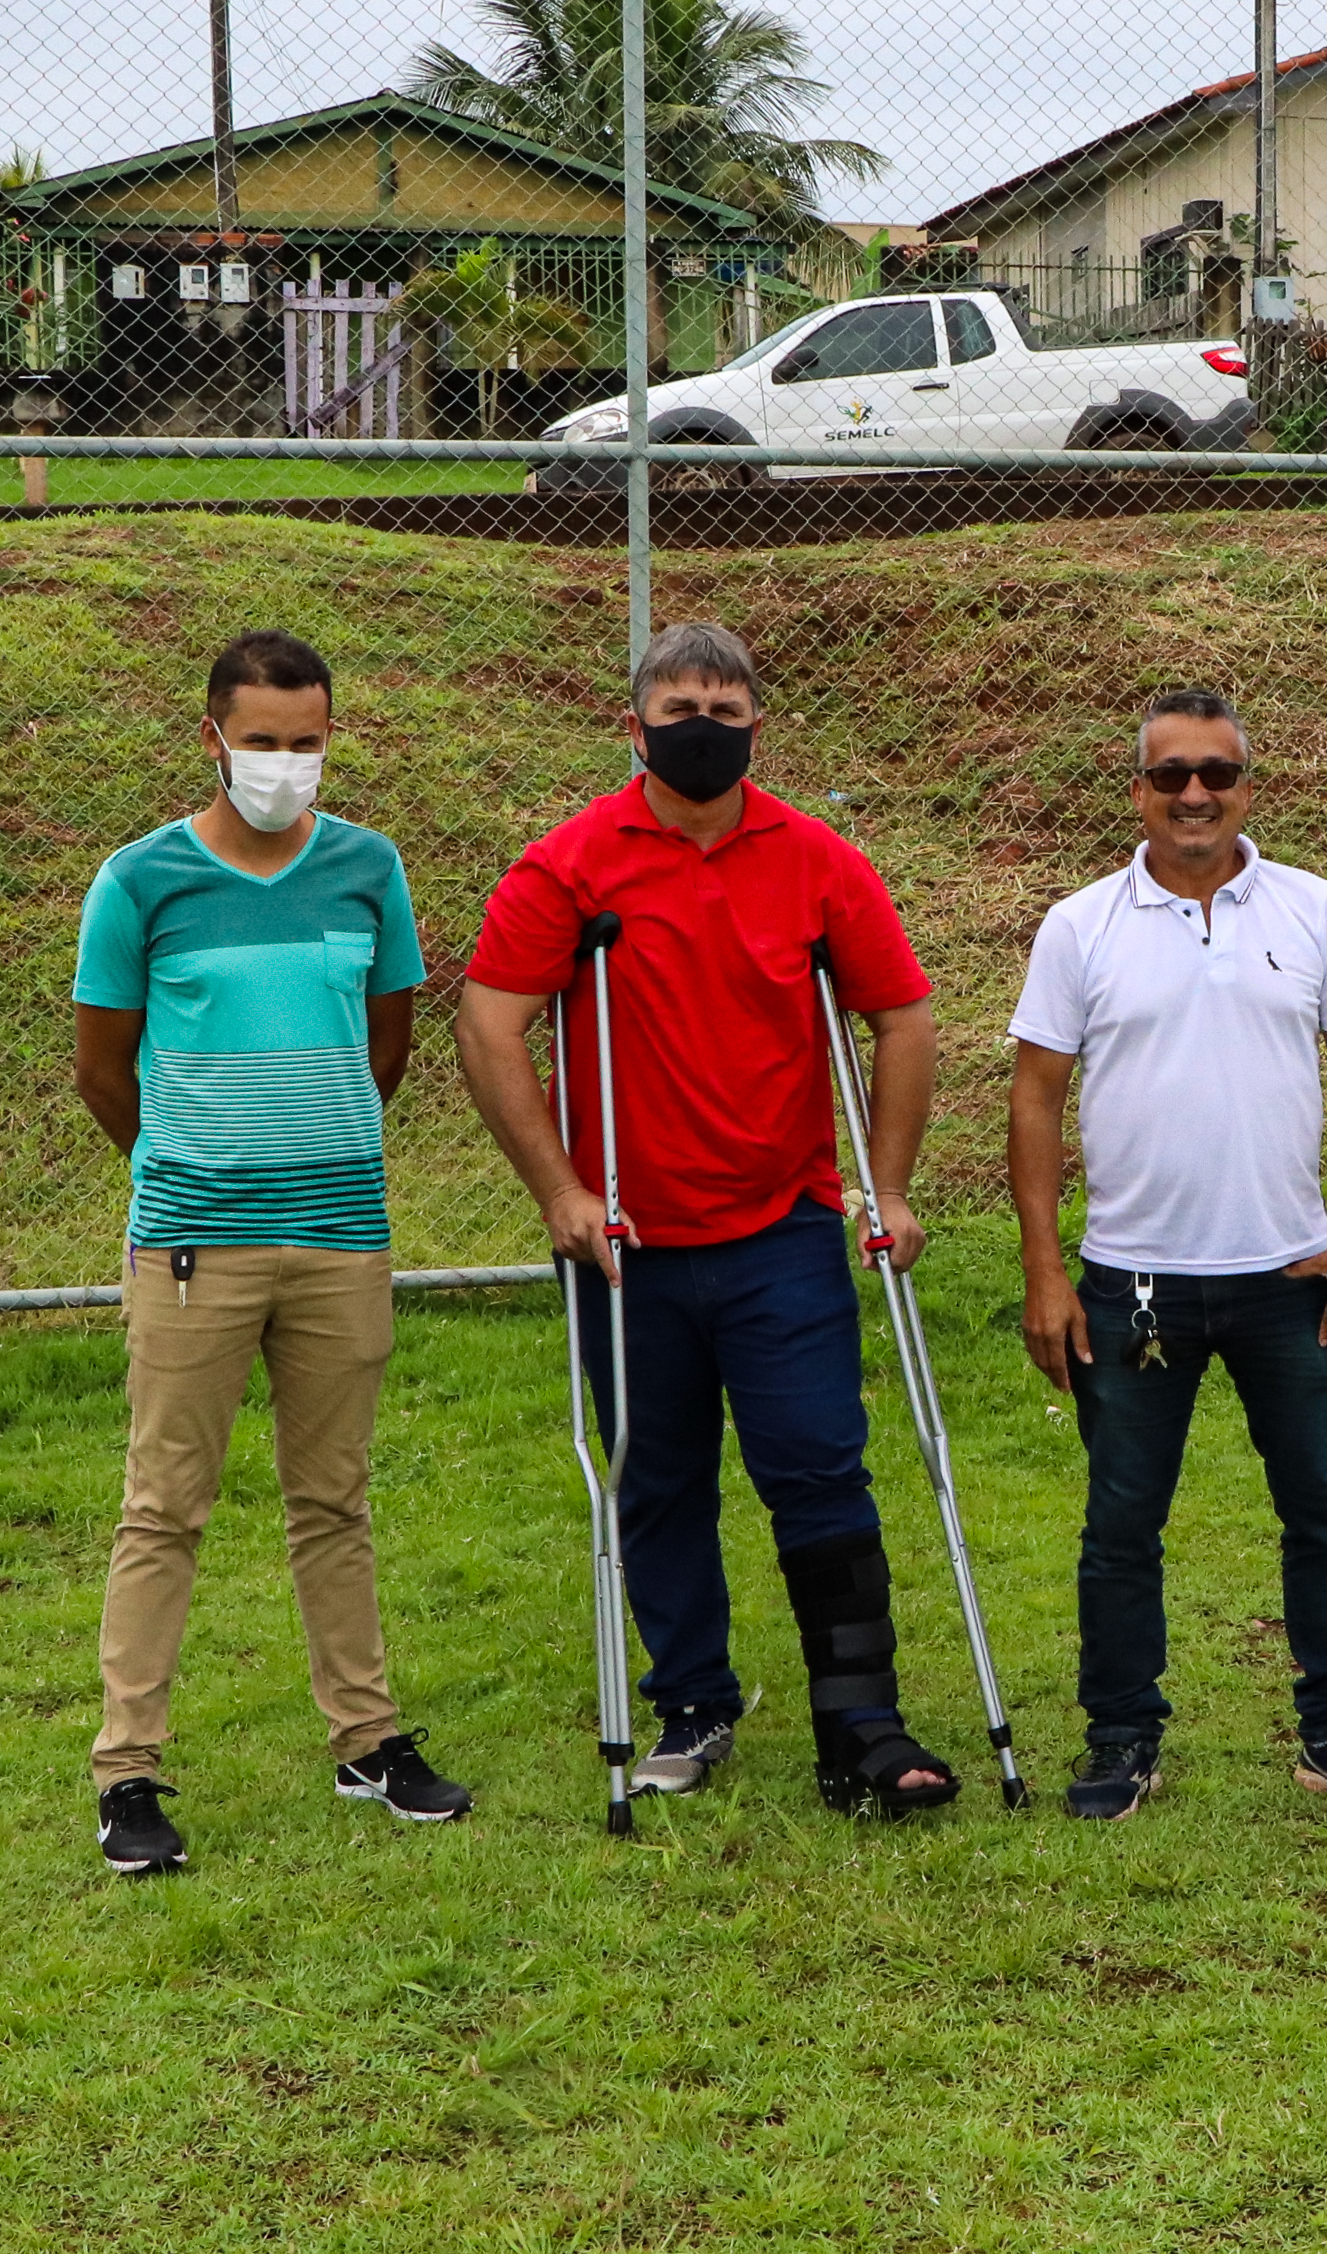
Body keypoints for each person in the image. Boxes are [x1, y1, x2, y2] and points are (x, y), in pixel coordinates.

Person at [453, 621, 964, 1816]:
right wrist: (561, 1192)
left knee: (818, 1468)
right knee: (655, 1475)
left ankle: (861, 1720)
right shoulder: (569, 866)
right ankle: (693, 1702)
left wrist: (886, 1187)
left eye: (725, 714)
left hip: (780, 1227)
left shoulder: (817, 859)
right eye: (679, 711)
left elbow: (902, 1016)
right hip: (627, 1241)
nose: (702, 732)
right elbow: (488, 1021)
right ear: (633, 727)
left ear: (756, 729)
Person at [72, 629, 473, 1877]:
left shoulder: (369, 868)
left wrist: (313, 1150)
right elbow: (102, 1069)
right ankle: (127, 1771)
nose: (284, 763)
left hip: (341, 1237)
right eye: (261, 740)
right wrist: (192, 1170)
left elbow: (388, 1044)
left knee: (334, 1499)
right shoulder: (139, 881)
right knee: (163, 1506)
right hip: (194, 1244)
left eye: (306, 741)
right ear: (213, 738)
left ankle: (368, 1738)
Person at [1007, 689, 1327, 1825]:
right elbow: (1035, 1097)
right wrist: (1045, 1268)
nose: (1195, 794)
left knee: (1323, 1510)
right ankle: (1120, 1734)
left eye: (1217, 774)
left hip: (1292, 1279)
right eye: (1172, 774)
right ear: (1137, 791)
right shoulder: (1080, 924)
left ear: (1247, 786)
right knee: (1121, 1524)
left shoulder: (1313, 907)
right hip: (1131, 1281)